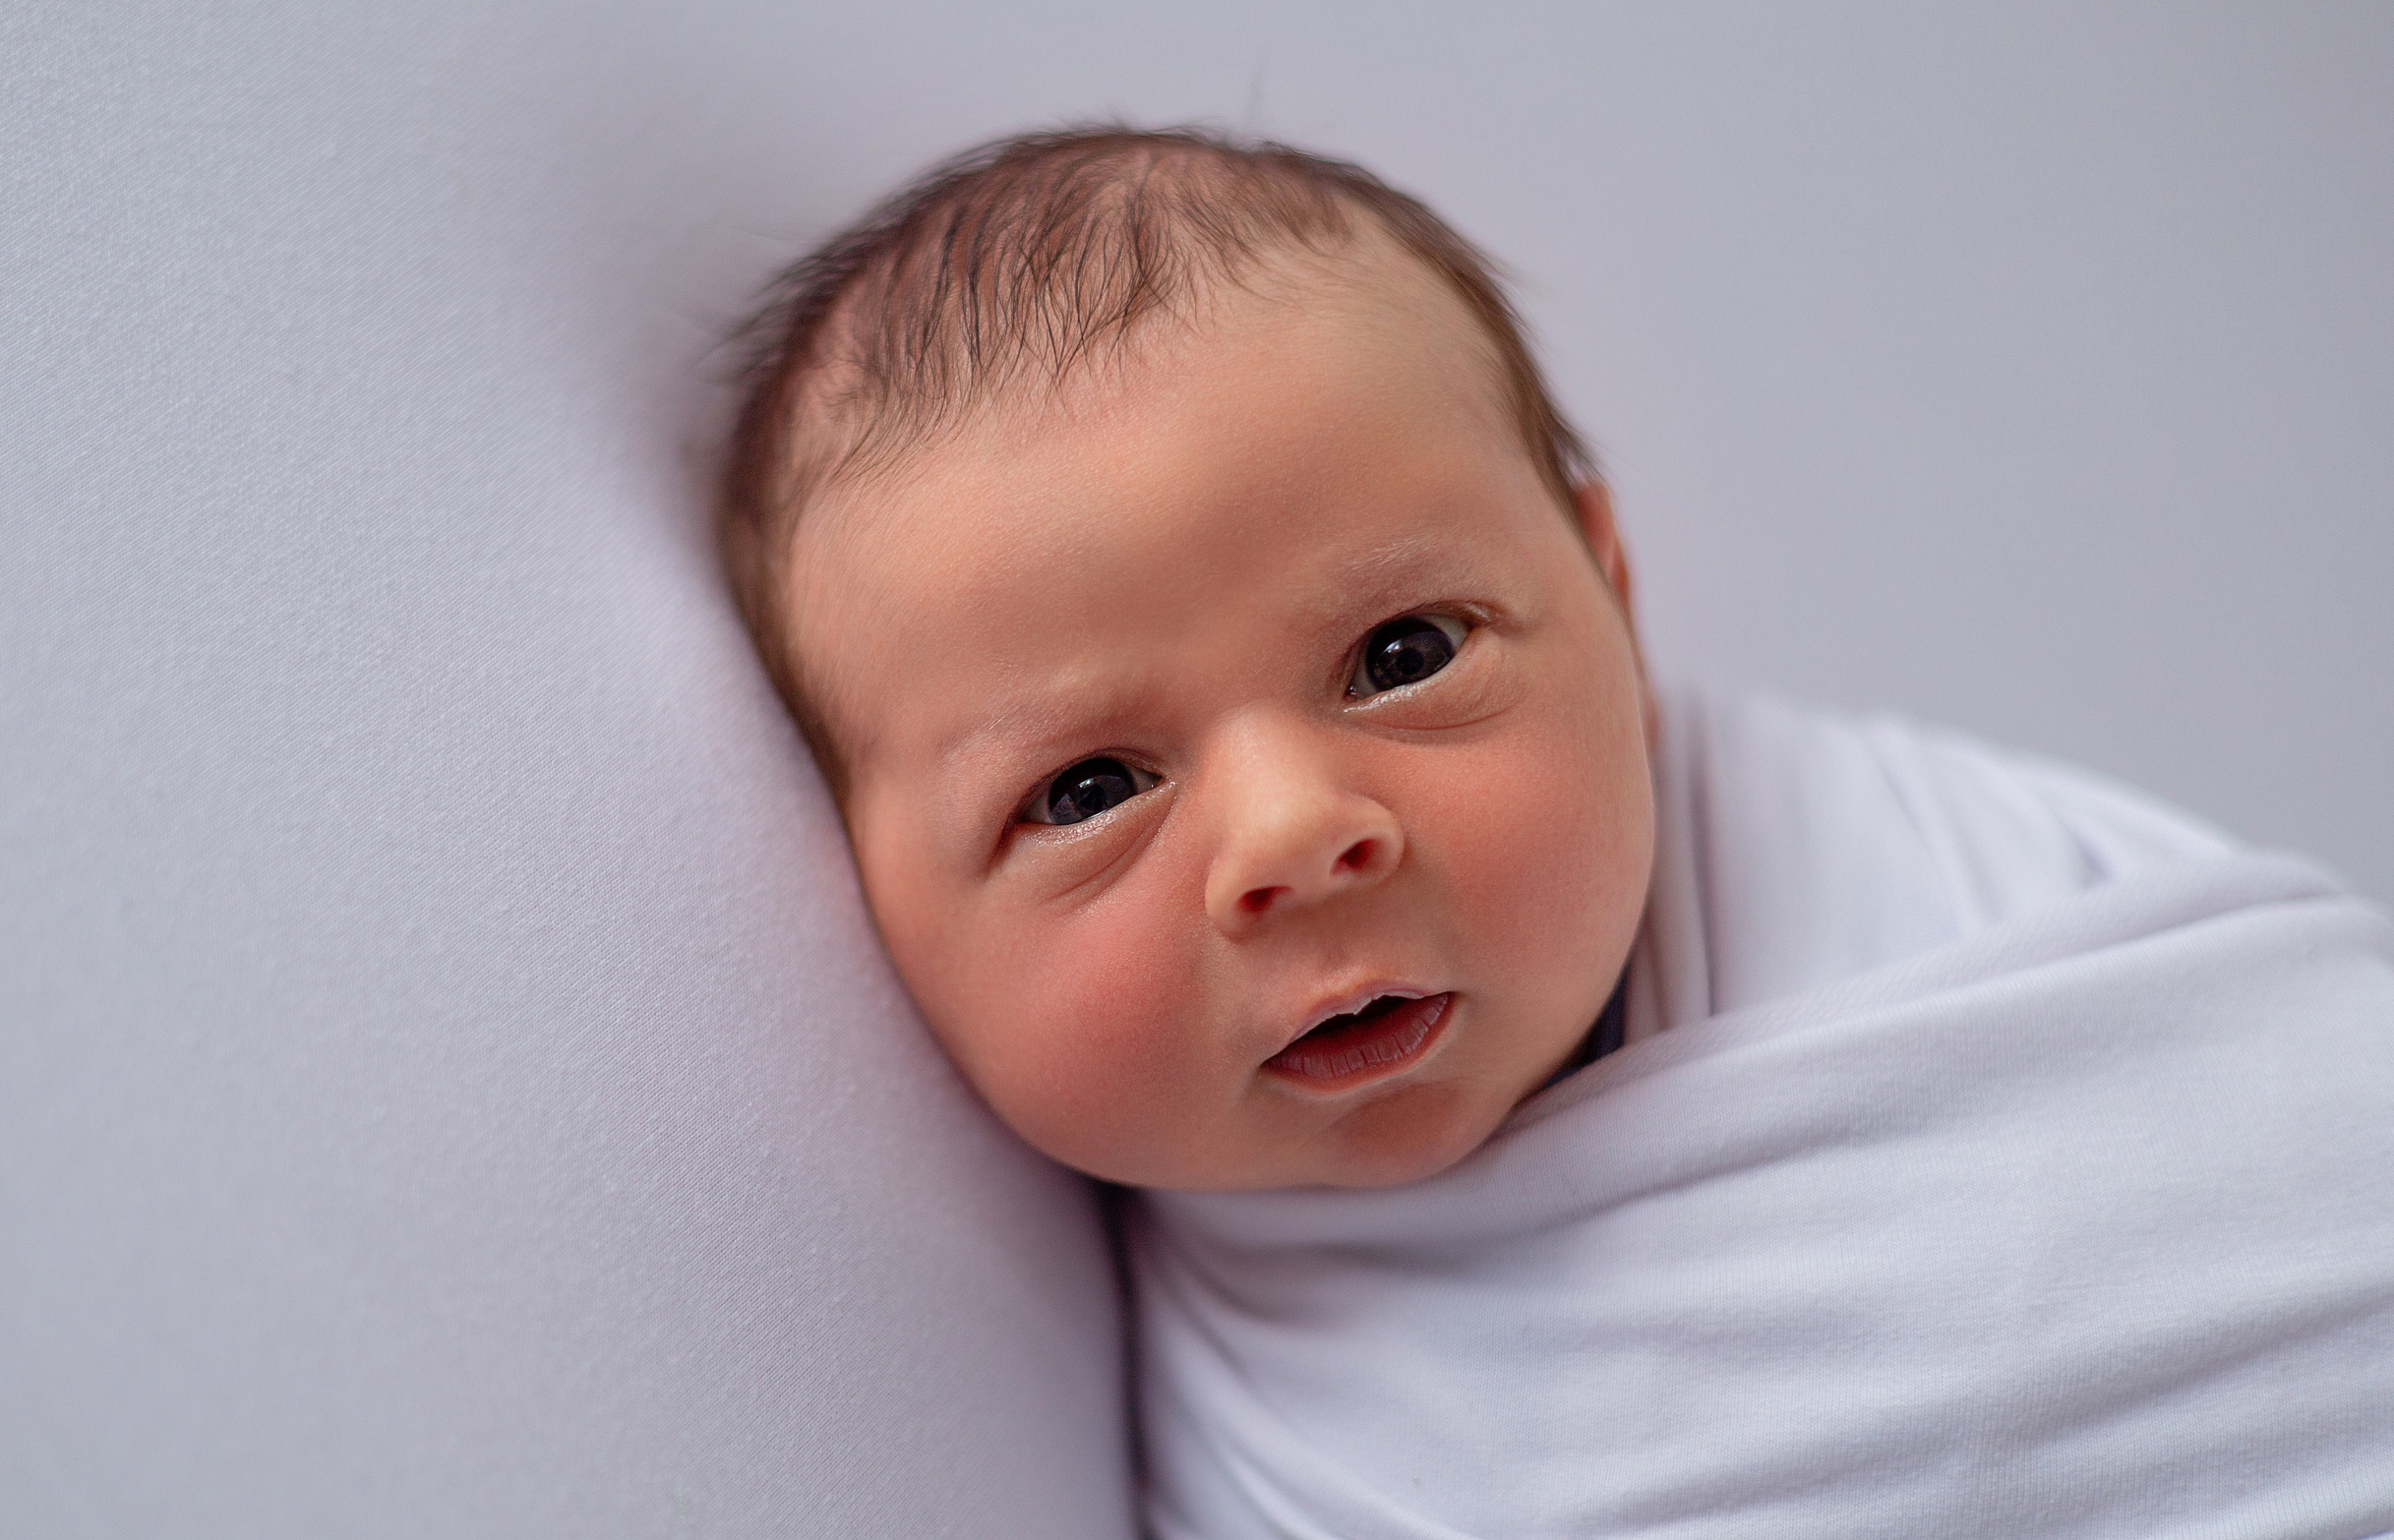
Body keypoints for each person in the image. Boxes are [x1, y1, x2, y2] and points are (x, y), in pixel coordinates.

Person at [719, 126, 2394, 1537]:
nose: (1299, 833)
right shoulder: (1265, 1445)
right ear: (867, 907)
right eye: (1090, 790)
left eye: (1405, 656)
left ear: (1610, 594)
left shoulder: (1940, 880)